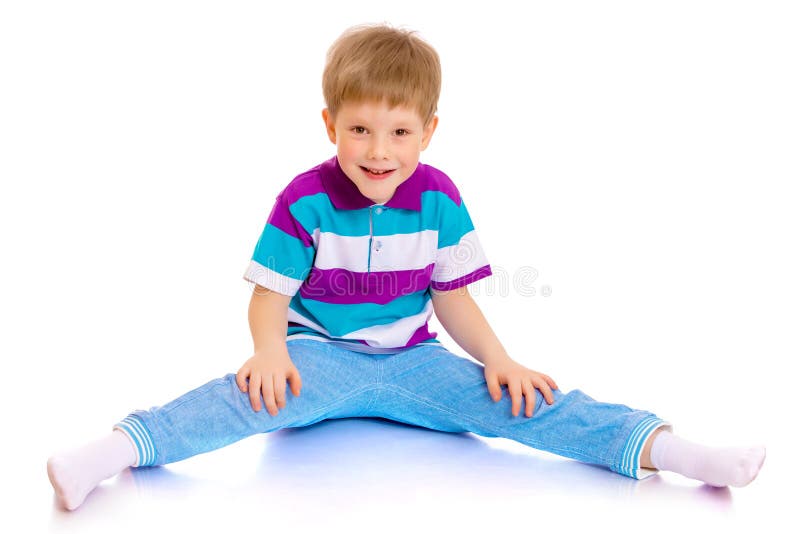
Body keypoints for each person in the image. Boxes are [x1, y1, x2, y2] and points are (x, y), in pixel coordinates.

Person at [47, 23, 766, 511]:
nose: (378, 150)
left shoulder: (440, 199)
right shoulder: (305, 199)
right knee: (240, 397)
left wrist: (500, 359)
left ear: (428, 131)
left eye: (399, 132)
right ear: (331, 126)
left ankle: (665, 447)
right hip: (318, 357)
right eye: (360, 129)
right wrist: (268, 354)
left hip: (415, 362)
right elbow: (268, 299)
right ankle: (111, 452)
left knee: (521, 400)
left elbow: (452, 298)